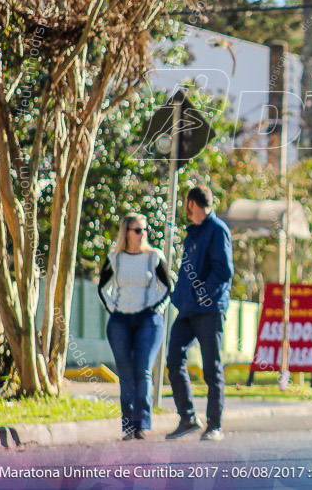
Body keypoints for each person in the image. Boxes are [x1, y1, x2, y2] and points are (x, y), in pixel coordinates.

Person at [165, 186, 234, 442]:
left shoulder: (218, 230)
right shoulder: (192, 233)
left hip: (209, 310)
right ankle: (188, 417)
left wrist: (202, 294)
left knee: (211, 368)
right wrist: (179, 294)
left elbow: (223, 271)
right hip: (187, 309)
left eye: (186, 203)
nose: (185, 208)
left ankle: (214, 425)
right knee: (174, 359)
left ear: (191, 203)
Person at [98, 213, 172, 440]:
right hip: (120, 320)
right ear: (126, 233)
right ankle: (128, 426)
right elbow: (102, 288)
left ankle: (142, 423)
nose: (143, 235)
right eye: (137, 230)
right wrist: (114, 309)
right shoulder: (115, 258)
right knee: (126, 374)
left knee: (142, 370)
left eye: (145, 230)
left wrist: (156, 309)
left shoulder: (154, 257)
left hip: (148, 321)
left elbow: (168, 287)